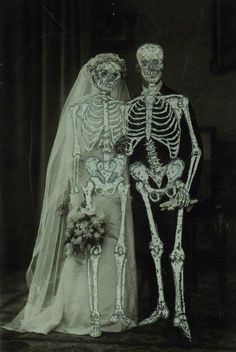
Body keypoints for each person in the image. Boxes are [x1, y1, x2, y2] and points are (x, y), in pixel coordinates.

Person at [4, 53, 137, 337]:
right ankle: (81, 312)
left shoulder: (125, 110)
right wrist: (75, 194)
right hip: (87, 187)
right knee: (86, 246)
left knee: (116, 247)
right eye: (103, 74)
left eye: (114, 75)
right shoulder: (78, 110)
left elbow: (126, 152)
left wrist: (122, 185)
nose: (108, 80)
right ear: (92, 76)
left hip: (115, 189)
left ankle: (115, 309)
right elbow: (73, 155)